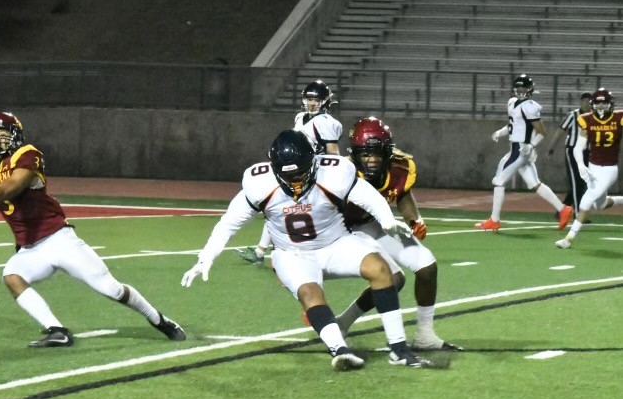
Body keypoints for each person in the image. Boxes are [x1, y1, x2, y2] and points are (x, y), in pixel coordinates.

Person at [0, 111, 185, 347]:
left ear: (16, 136)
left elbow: (4, 192)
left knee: (111, 289)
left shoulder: (28, 156)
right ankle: (57, 330)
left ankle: (159, 319)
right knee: (12, 275)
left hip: (59, 239)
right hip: (31, 247)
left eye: (3, 134)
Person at [182, 129, 430, 370]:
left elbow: (368, 195)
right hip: (293, 254)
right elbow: (229, 223)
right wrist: (206, 257)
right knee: (310, 293)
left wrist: (386, 221)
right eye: (288, 176)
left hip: (336, 243)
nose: (296, 182)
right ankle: (340, 351)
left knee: (381, 269)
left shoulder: (334, 171)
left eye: (301, 173)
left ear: (313, 161)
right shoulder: (259, 183)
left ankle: (398, 349)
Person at [339, 117, 462, 351]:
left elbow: (403, 194)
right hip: (344, 229)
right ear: (354, 154)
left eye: (376, 153)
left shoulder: (399, 167)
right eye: (365, 154)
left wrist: (415, 220)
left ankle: (425, 335)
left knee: (427, 266)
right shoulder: (342, 172)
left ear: (388, 152)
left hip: (375, 222)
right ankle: (342, 323)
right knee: (393, 280)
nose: (372, 160)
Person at [235, 80, 344, 266]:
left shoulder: (326, 122)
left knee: (289, 207)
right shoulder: (301, 117)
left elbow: (334, 154)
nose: (312, 103)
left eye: (316, 100)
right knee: (277, 205)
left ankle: (272, 250)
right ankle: (261, 251)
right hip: (296, 169)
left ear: (325, 101)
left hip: (312, 173)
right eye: (309, 99)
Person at [475, 74, 573, 231]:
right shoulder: (512, 102)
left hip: (520, 150)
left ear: (530, 89)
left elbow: (542, 132)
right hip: (516, 148)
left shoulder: (530, 106)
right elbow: (514, 125)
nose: (521, 91)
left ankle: (494, 220)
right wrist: (500, 133)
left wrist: (532, 145)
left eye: (524, 88)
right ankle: (563, 209)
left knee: (499, 181)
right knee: (534, 183)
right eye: (518, 88)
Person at [555, 89, 623, 248]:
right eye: (598, 102)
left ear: (610, 104)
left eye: (604, 102)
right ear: (593, 104)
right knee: (599, 204)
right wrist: (580, 165)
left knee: (586, 201)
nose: (601, 105)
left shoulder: (619, 118)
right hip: (593, 166)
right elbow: (578, 147)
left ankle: (569, 239)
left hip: (609, 169)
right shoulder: (587, 120)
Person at [546, 92, 592, 217]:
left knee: (584, 183)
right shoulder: (573, 115)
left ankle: (562, 210)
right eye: (585, 101)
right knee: (576, 182)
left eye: (589, 101)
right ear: (581, 102)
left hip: (588, 152)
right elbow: (561, 131)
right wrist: (552, 148)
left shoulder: (594, 117)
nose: (587, 104)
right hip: (572, 151)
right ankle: (578, 214)